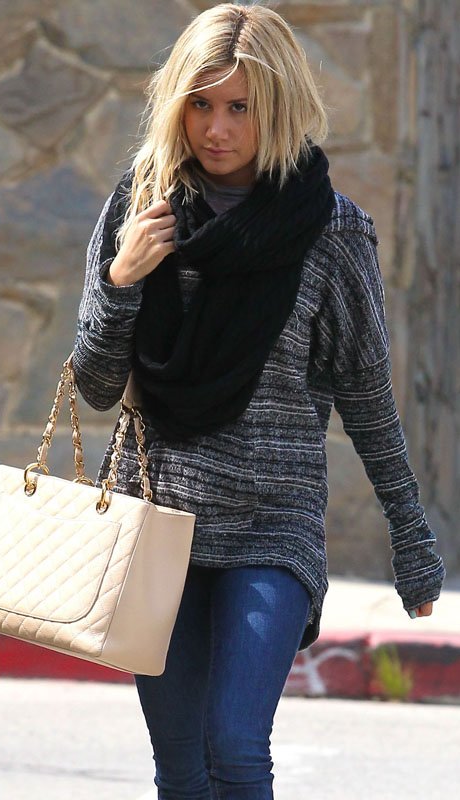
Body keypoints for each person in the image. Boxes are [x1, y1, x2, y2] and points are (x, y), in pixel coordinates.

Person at [73, 4, 445, 798]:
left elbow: (367, 394)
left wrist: (411, 534)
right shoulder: (141, 207)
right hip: (157, 520)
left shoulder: (332, 231)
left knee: (236, 747)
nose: (217, 129)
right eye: (201, 104)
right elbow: (98, 386)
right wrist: (122, 280)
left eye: (239, 106)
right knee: (181, 770)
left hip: (272, 524)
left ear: (276, 106)